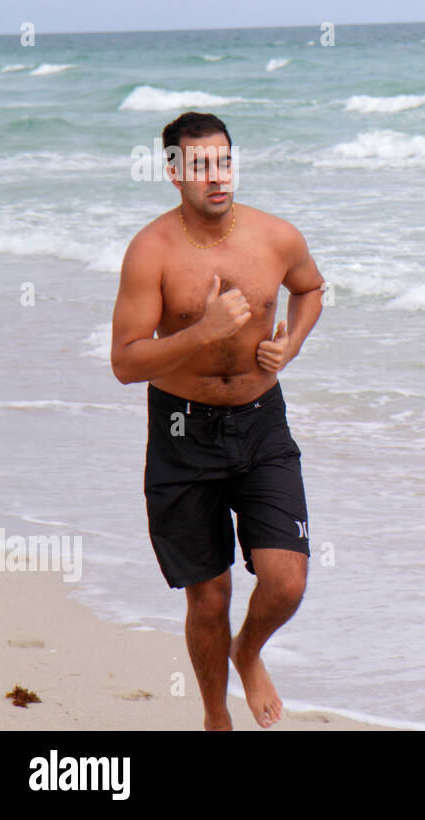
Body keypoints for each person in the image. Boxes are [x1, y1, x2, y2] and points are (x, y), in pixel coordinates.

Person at [110, 111, 325, 730]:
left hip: (261, 422)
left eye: (224, 161)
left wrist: (293, 343)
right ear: (173, 173)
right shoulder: (151, 252)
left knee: (285, 581)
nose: (216, 176)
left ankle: (248, 651)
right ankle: (214, 715)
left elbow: (310, 289)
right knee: (210, 596)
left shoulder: (276, 237)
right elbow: (125, 361)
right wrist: (200, 333)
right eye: (200, 165)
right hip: (182, 431)